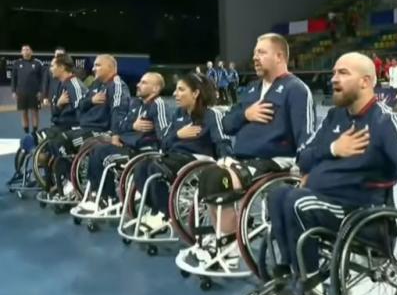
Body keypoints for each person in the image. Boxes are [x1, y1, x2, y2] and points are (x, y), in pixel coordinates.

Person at [258, 52, 397, 295]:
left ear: (366, 81)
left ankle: (307, 289)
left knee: (297, 202)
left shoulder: (385, 122)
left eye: (343, 73)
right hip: (322, 199)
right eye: (333, 73)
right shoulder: (334, 117)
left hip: (362, 213)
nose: (333, 79)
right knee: (276, 194)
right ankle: (290, 274)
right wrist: (334, 148)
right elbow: (304, 157)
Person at [191, 33, 316, 265]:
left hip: (276, 161)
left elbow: (306, 135)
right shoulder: (251, 90)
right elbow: (227, 124)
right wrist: (246, 115)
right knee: (208, 177)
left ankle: (229, 243)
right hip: (243, 159)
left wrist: (306, 170)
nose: (255, 58)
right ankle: (223, 235)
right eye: (254, 53)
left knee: (220, 179)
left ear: (279, 56)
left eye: (261, 52)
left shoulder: (296, 89)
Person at [133, 73, 232, 233]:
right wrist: (178, 134)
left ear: (195, 93)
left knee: (155, 169)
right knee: (141, 167)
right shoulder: (179, 114)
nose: (174, 94)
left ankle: (166, 214)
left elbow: (222, 141)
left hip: (198, 161)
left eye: (180, 90)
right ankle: (157, 210)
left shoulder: (212, 115)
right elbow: (164, 141)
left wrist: (226, 162)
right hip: (174, 157)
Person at [75, 72, 169, 212]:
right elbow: (120, 126)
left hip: (143, 151)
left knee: (104, 156)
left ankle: (105, 198)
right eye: (139, 82)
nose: (138, 85)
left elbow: (164, 133)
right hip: (127, 145)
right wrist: (133, 126)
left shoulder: (158, 105)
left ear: (155, 89)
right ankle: (100, 195)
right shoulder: (136, 103)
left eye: (143, 83)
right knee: (96, 149)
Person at [44, 54, 131, 198]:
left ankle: (74, 183)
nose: (93, 68)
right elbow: (82, 104)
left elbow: (118, 111)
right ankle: (71, 178)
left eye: (98, 65)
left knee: (62, 141)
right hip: (86, 128)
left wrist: (115, 135)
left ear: (110, 67)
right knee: (55, 142)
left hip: (102, 130)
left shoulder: (116, 85)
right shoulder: (97, 84)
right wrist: (91, 100)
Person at [11, 45, 44, 136]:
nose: (26, 51)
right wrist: (13, 91)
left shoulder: (37, 63)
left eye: (27, 49)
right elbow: (14, 78)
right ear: (21, 52)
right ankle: (26, 132)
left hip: (34, 93)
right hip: (21, 92)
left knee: (34, 112)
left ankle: (34, 131)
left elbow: (42, 79)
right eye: (24, 50)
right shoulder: (17, 63)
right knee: (24, 112)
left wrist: (41, 91)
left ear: (31, 52)